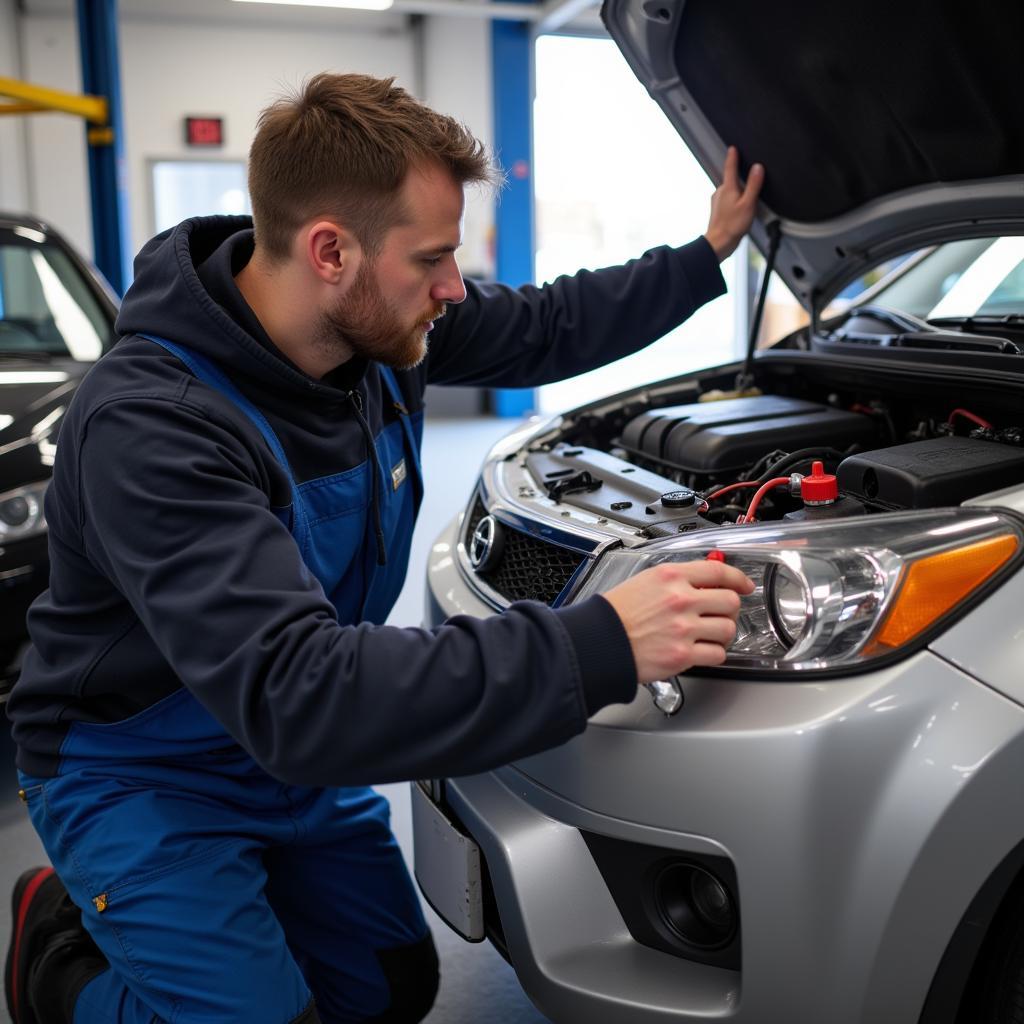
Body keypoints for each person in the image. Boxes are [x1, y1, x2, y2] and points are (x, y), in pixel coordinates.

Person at [4, 72, 762, 1024]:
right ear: (330, 250)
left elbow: (546, 324)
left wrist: (705, 255)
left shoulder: (378, 327)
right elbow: (302, 692)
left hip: (282, 752)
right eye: (434, 258)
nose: (454, 287)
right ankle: (57, 964)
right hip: (141, 765)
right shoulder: (155, 427)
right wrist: (601, 640)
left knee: (389, 988)